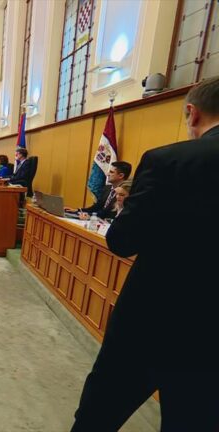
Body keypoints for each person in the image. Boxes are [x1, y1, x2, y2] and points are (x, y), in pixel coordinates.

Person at [71, 77, 219, 432]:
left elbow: (122, 241)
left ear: (192, 113)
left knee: (98, 415)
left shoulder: (169, 160)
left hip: (154, 319)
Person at [66, 161, 132, 219]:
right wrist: (78, 210)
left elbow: (107, 213)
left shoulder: (125, 193)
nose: (107, 174)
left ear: (121, 175)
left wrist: (89, 215)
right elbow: (96, 207)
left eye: (111, 172)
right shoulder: (107, 188)